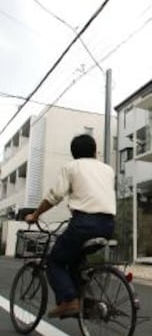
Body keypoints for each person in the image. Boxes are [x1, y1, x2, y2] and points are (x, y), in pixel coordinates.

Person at [25, 134, 116, 318]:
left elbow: (55, 196)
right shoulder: (108, 170)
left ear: (73, 154)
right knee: (74, 261)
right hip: (107, 225)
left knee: (55, 261)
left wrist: (35, 215)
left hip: (83, 224)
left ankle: (69, 300)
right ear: (94, 151)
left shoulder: (71, 167)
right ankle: (85, 303)